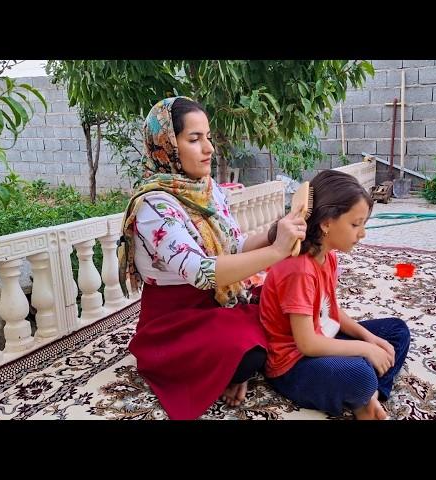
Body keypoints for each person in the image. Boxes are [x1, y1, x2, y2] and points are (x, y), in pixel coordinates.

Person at [118, 96, 306, 420]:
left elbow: (235, 244)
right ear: (166, 145)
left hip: (219, 303)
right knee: (248, 350)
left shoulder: (208, 190)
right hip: (175, 323)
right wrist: (275, 252)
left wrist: (275, 233)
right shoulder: (154, 206)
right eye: (194, 139)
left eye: (207, 137)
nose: (209, 149)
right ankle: (233, 369)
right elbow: (200, 272)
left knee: (284, 311)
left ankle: (233, 371)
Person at [259, 170, 410, 419]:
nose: (362, 233)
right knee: (361, 374)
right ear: (327, 222)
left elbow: (330, 312)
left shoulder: (327, 256)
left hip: (321, 336)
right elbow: (307, 344)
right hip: (294, 365)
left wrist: (368, 337)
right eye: (355, 224)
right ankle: (367, 394)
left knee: (396, 331)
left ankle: (370, 398)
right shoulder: (298, 268)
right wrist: (364, 349)